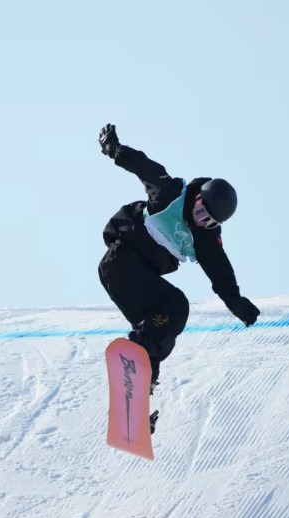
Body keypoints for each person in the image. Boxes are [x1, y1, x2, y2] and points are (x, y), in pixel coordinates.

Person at [98, 124, 260, 395]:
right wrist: (115, 150)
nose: (202, 221)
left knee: (164, 322)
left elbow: (220, 270)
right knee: (175, 303)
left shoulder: (205, 238)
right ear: (198, 198)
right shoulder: (170, 194)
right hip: (121, 262)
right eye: (202, 212)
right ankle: (137, 353)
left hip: (141, 279)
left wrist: (235, 300)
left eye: (210, 222)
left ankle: (142, 382)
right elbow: (144, 166)